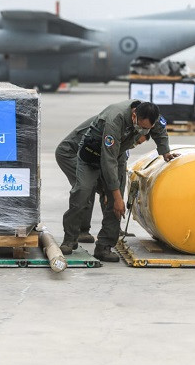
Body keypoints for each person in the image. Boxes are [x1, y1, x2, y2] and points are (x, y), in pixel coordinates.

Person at [61, 100, 178, 262]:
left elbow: (160, 131)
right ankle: (69, 239)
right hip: (91, 156)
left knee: (115, 208)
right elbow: (107, 161)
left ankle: (104, 246)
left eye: (147, 128)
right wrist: (116, 196)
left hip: (118, 155)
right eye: (141, 126)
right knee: (82, 193)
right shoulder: (115, 119)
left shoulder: (152, 117)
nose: (143, 131)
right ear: (134, 114)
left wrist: (165, 152)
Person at [55, 118, 149, 244]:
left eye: (138, 144)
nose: (134, 145)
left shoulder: (125, 138)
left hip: (91, 156)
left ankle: (112, 229)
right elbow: (107, 167)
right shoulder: (114, 129)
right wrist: (107, 191)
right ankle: (81, 231)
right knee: (87, 187)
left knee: (107, 187)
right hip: (70, 154)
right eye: (136, 142)